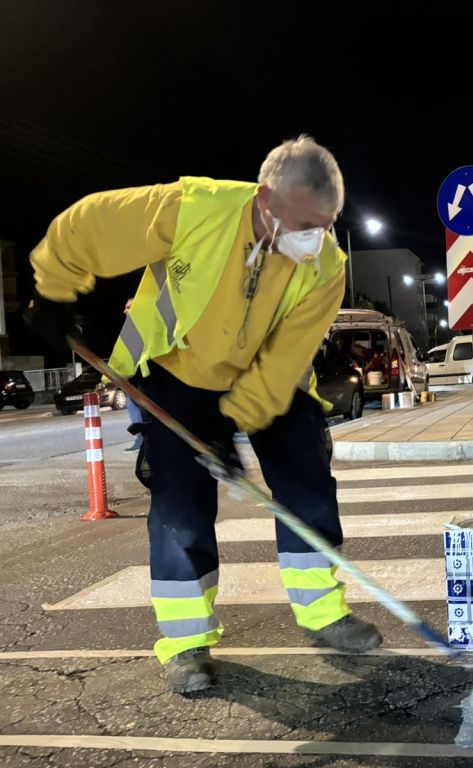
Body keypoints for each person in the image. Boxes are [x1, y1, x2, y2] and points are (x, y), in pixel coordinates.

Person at [26, 136, 382, 694]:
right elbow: (88, 225)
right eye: (304, 226)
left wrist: (233, 423)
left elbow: (286, 355)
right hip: (176, 371)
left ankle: (322, 614)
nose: (315, 243)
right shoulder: (198, 208)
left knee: (306, 477)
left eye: (326, 227)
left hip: (269, 375)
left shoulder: (326, 265)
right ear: (265, 199)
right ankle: (187, 641)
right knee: (181, 504)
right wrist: (53, 290)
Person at [122, 298, 145, 452]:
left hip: (144, 376)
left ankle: (144, 440)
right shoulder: (130, 328)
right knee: (132, 406)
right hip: (135, 377)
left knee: (142, 408)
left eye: (128, 307)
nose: (125, 311)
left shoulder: (141, 326)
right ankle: (141, 439)